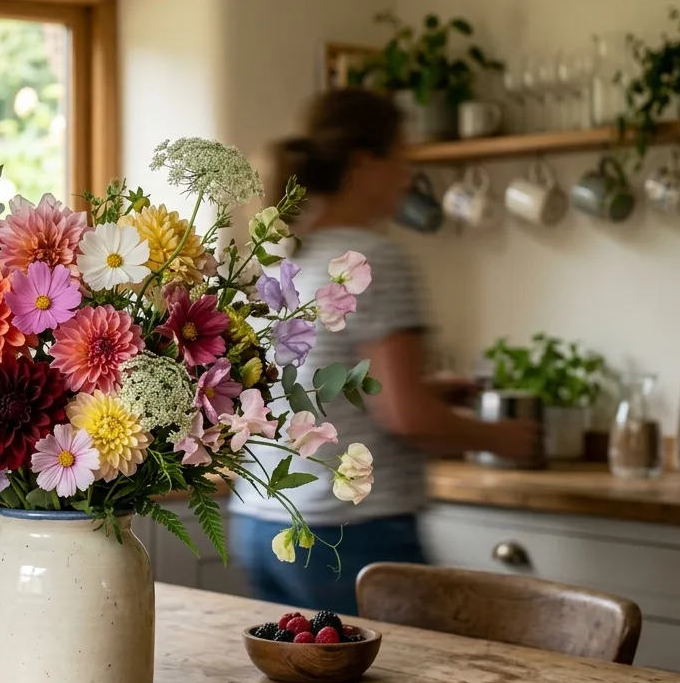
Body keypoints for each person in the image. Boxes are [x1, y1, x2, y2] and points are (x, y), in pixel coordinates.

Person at [229, 89, 538, 614]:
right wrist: (503, 437)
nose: (406, 176)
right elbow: (407, 416)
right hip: (348, 533)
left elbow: (303, 385)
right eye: (401, 158)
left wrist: (424, 389)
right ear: (364, 163)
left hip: (261, 521)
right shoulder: (374, 260)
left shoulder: (282, 257)